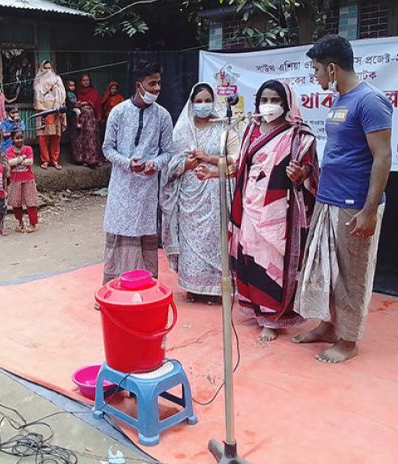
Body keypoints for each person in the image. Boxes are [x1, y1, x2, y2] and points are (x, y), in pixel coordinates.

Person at [292, 34, 393, 364]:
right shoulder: (340, 100)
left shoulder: (370, 101)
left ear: (332, 68)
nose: (315, 76)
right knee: (326, 269)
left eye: (317, 70)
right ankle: (328, 325)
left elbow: (382, 157)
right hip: (328, 198)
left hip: (353, 204)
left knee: (352, 274)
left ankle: (348, 340)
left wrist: (369, 210)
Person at [229, 80, 319, 341]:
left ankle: (273, 317)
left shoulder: (299, 136)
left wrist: (301, 174)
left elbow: (311, 174)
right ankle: (256, 309)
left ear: (287, 103)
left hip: (279, 211)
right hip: (249, 204)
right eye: (264, 99)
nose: (268, 105)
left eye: (275, 100)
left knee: (273, 262)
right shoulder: (251, 130)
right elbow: (240, 166)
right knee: (250, 255)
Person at [160, 83, 239, 304]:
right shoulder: (182, 130)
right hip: (189, 194)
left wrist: (209, 158)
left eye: (207, 100)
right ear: (191, 103)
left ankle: (216, 289)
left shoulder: (223, 127)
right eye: (199, 101)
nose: (203, 105)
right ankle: (193, 287)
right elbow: (169, 162)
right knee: (191, 240)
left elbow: (236, 155)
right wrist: (185, 163)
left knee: (216, 237)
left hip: (216, 192)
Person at [101, 61, 173, 285]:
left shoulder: (163, 116)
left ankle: (144, 289)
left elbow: (168, 152)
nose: (157, 89)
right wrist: (127, 163)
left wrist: (155, 164)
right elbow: (107, 148)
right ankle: (115, 288)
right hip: (122, 184)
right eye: (152, 84)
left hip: (147, 188)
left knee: (144, 236)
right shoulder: (118, 112)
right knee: (120, 233)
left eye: (159, 83)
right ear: (138, 85)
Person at [33, 60, 67, 169]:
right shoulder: (37, 80)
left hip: (55, 111)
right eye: (45, 68)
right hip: (42, 112)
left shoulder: (57, 78)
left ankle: (55, 160)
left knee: (55, 137)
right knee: (42, 137)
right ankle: (45, 160)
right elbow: (38, 93)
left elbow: (62, 93)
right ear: (42, 69)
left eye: (49, 68)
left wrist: (55, 90)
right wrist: (50, 89)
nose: (47, 70)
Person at [6, 129, 39, 233]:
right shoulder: (9, 150)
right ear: (12, 139)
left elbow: (30, 162)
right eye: (17, 138)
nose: (19, 140)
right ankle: (20, 223)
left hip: (28, 179)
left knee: (31, 202)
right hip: (15, 180)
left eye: (21, 137)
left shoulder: (28, 148)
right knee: (16, 203)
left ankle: (32, 224)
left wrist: (18, 160)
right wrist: (22, 158)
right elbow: (10, 163)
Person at [72, 74, 103, 167]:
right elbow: (72, 103)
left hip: (91, 121)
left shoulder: (94, 92)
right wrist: (77, 104)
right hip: (80, 119)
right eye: (84, 80)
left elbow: (97, 104)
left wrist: (86, 103)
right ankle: (81, 159)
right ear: (80, 82)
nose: (86, 82)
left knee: (91, 139)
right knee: (80, 138)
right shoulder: (77, 92)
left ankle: (92, 160)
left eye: (87, 80)